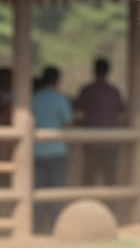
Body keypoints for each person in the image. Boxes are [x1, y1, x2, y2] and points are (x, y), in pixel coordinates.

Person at [32, 66, 73, 233]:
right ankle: (55, 227)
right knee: (56, 191)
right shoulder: (60, 99)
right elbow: (67, 123)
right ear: (57, 81)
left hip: (37, 152)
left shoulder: (33, 98)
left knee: (37, 190)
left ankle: (37, 227)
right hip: (57, 152)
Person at [75, 58, 126, 185]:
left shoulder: (87, 90)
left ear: (94, 70)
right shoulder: (114, 91)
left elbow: (78, 110)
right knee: (110, 178)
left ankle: (86, 203)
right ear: (108, 71)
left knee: (88, 178)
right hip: (110, 141)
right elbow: (122, 114)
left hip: (92, 141)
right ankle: (111, 205)